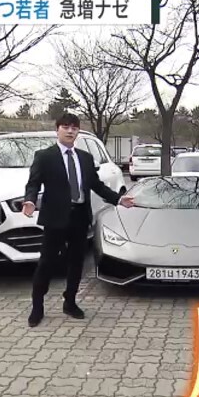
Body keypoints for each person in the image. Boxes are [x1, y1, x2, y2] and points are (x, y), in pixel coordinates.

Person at [23, 113, 132, 327]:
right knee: (46, 263)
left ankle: (70, 302)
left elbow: (96, 185)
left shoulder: (85, 158)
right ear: (57, 130)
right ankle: (37, 306)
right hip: (55, 218)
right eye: (65, 127)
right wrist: (30, 200)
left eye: (74, 128)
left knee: (76, 263)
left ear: (78, 131)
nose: (70, 131)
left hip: (80, 217)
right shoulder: (44, 156)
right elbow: (33, 183)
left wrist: (119, 199)